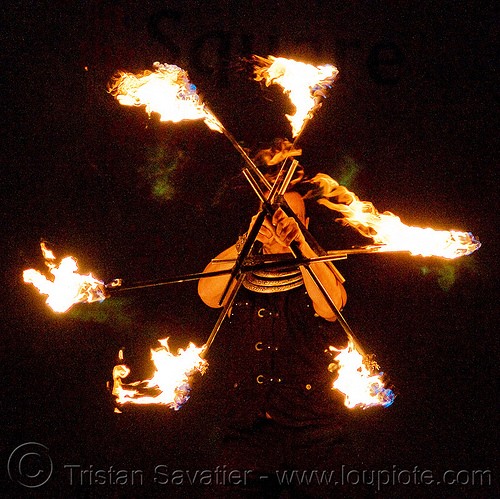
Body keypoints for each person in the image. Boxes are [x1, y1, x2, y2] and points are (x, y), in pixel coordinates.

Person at [197, 190, 355, 498]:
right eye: (272, 216)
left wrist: (299, 242)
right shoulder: (239, 267)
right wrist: (248, 239)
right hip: (248, 433)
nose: (280, 224)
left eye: (290, 218)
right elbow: (208, 294)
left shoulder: (317, 265)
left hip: (315, 433)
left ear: (305, 222)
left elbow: (331, 305)